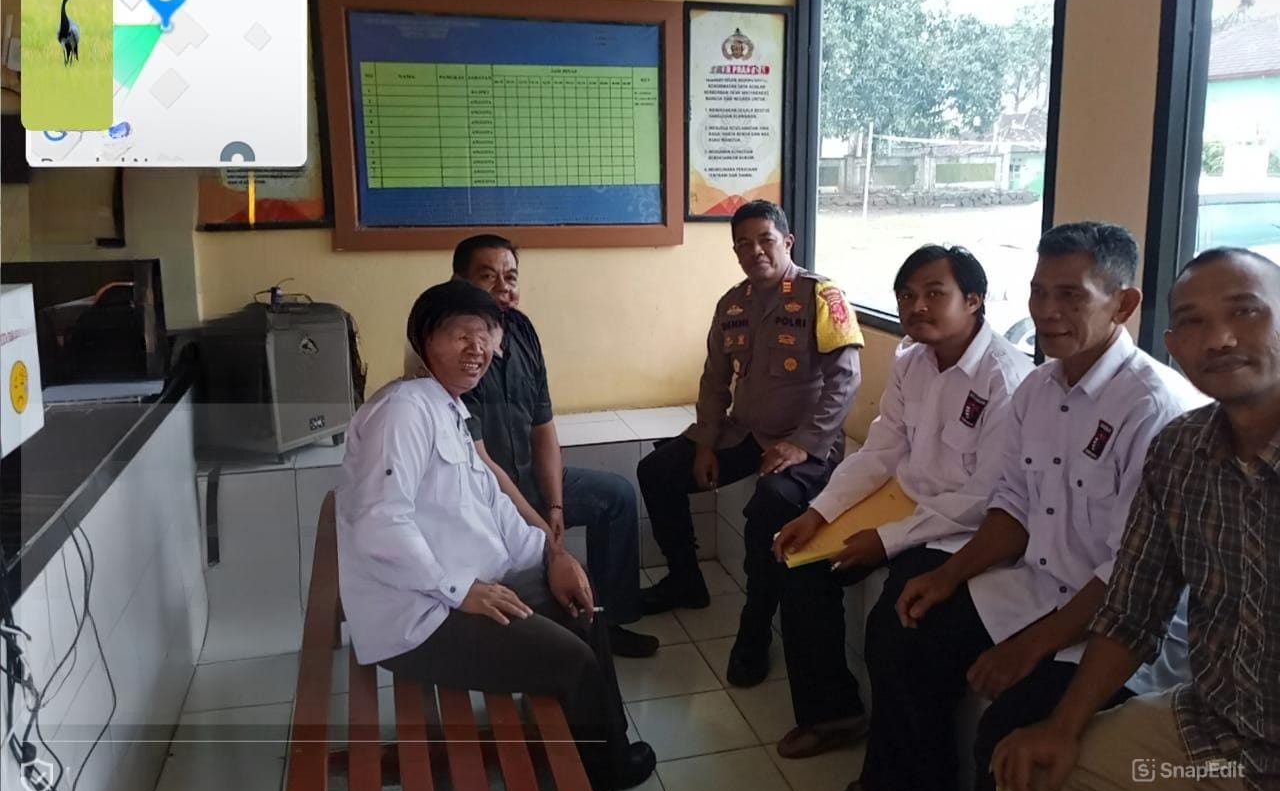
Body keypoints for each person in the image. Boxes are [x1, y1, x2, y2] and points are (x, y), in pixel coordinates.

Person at [823, 222, 1203, 791]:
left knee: (1007, 732)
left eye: (1070, 295)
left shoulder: (1153, 409)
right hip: (1036, 585)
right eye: (1038, 292)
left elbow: (1130, 575)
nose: (1047, 311)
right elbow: (1015, 507)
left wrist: (1031, 645)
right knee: (903, 632)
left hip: (1117, 626)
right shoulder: (1040, 388)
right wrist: (949, 576)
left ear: (1123, 303)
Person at [340, 281, 654, 791]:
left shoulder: (450, 409)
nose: (477, 348)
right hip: (419, 615)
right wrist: (458, 590)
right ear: (423, 341)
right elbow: (380, 522)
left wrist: (553, 556)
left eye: (485, 335)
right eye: (460, 334)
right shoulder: (404, 411)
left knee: (583, 602)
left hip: (470, 586)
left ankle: (609, 755)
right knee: (572, 662)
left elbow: (495, 506)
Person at [993, 247, 1280, 791]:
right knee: (1033, 779)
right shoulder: (1180, 452)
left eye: (1245, 311)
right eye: (1193, 322)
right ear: (1173, 343)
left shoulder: (1149, 402)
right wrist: (1063, 727)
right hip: (1211, 742)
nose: (1220, 339)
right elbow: (1133, 606)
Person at [770, 245, 1034, 760]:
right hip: (904, 503)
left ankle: (892, 780)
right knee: (798, 563)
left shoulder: (1006, 379)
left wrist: (887, 541)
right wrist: (819, 512)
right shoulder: (912, 361)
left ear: (974, 300)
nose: (917, 307)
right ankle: (832, 712)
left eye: (935, 293)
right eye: (906, 296)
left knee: (895, 624)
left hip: (961, 530)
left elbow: (985, 497)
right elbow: (881, 450)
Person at [638, 200, 863, 687]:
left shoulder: (822, 296)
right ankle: (685, 579)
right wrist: (705, 443)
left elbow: (845, 380)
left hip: (806, 443)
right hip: (746, 432)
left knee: (770, 503)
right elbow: (714, 380)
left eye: (765, 239)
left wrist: (804, 444)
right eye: (743, 243)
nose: (754, 251)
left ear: (788, 242)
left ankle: (755, 629)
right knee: (657, 470)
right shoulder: (732, 304)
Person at [405, 235, 657, 659]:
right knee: (539, 559)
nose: (503, 288)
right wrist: (545, 532)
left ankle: (609, 622)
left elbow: (543, 427)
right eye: (488, 277)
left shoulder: (522, 331)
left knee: (615, 496)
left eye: (511, 277)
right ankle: (555, 634)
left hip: (530, 479)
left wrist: (555, 505)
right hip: (483, 494)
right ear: (459, 282)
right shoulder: (454, 352)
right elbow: (482, 463)